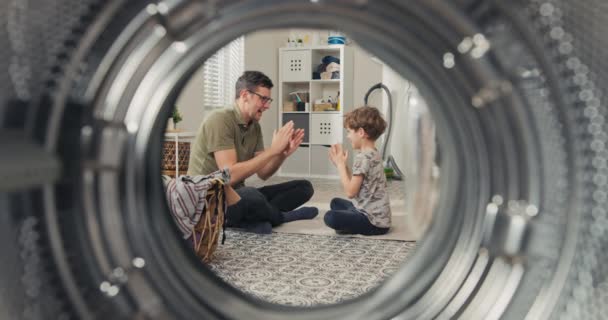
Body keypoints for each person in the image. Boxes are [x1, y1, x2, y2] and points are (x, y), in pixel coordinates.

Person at [187, 71, 318, 234]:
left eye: (268, 100)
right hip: (210, 199)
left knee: (304, 187)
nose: (267, 105)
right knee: (251, 195)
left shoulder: (254, 126)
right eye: (263, 99)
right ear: (245, 95)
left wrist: (282, 154)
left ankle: (252, 218)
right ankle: (281, 217)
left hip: (238, 196)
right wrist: (272, 151)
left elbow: (263, 173)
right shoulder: (219, 120)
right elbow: (229, 175)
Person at [324, 106, 391, 235]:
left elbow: (350, 192)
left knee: (330, 217)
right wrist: (344, 165)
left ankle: (350, 225)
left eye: (349, 131)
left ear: (360, 132)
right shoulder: (373, 153)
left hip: (373, 222)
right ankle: (350, 221)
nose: (348, 136)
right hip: (381, 219)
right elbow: (356, 183)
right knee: (336, 202)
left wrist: (340, 165)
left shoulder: (362, 158)